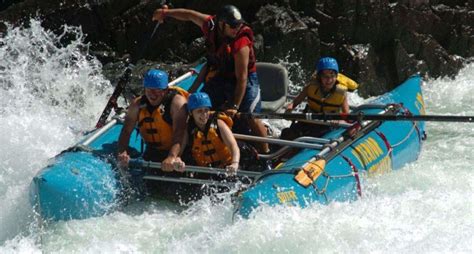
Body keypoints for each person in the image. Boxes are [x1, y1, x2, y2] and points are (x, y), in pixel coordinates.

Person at [152, 4, 269, 153]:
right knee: (199, 106)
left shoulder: (241, 43)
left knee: (251, 117)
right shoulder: (210, 25)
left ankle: (266, 154)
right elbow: (189, 15)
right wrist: (165, 13)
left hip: (246, 81)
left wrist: (234, 106)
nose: (236, 29)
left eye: (238, 25)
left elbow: (242, 78)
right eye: (232, 26)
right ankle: (188, 146)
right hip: (221, 76)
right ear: (222, 24)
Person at [117, 69, 188, 172]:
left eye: (157, 90)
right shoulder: (137, 104)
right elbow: (126, 131)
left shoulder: (177, 103)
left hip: (179, 152)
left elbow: (180, 132)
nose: (152, 94)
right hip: (153, 152)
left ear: (165, 90)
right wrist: (122, 151)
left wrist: (172, 156)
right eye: (149, 90)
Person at [184, 92, 263, 173]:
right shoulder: (188, 129)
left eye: (206, 110)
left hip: (232, 162)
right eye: (199, 111)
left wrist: (234, 163)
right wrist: (177, 159)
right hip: (209, 169)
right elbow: (180, 150)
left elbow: (233, 146)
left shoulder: (218, 123)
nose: (204, 114)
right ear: (191, 113)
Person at [282, 57, 358, 139]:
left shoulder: (341, 92)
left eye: (332, 76)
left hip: (328, 124)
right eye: (325, 76)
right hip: (309, 119)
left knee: (315, 136)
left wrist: (340, 121)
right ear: (319, 77)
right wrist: (289, 109)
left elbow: (346, 115)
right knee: (288, 133)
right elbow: (295, 102)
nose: (329, 80)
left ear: (336, 76)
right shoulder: (311, 87)